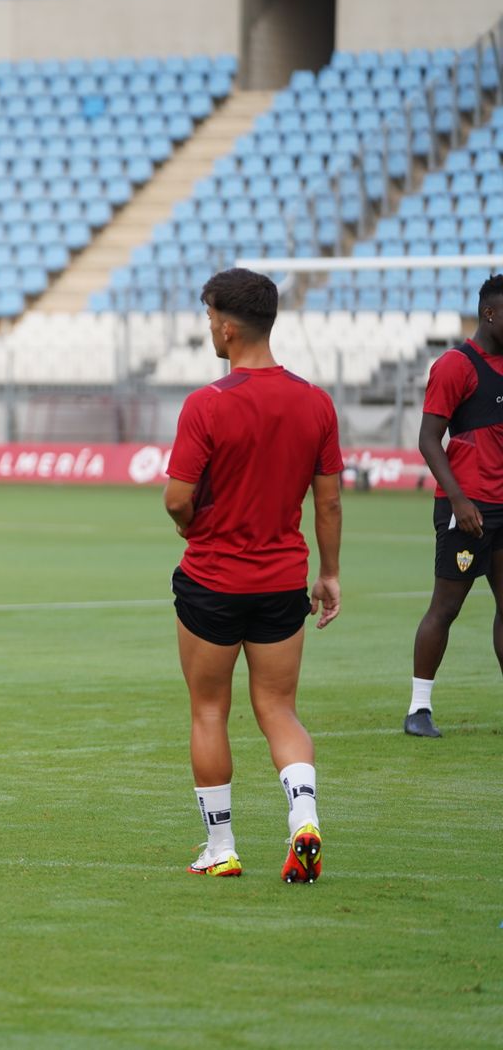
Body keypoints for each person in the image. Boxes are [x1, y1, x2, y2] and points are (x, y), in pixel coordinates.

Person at [163, 269, 342, 883]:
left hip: (212, 580)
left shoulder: (207, 403)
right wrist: (331, 574)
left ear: (229, 325)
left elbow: (176, 498)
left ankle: (221, 848)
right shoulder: (316, 401)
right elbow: (329, 502)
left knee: (209, 710)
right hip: (282, 581)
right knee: (280, 709)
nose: (208, 326)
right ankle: (304, 821)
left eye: (210, 315)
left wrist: (192, 526)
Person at [405, 274, 503, 739]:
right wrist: (459, 500)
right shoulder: (455, 366)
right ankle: (418, 708)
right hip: (467, 508)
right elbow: (428, 439)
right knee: (446, 608)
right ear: (489, 314)